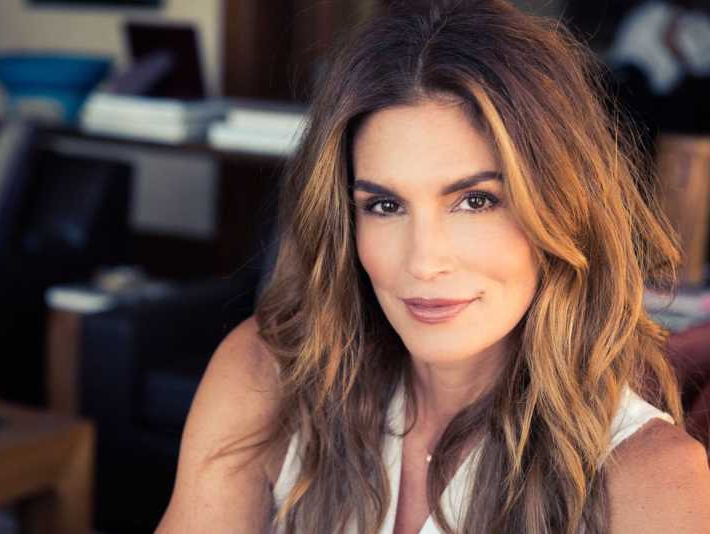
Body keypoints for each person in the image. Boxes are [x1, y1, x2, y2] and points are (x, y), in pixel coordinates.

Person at [155, 1, 710, 532]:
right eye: (385, 205)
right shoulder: (267, 375)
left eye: (475, 201)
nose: (423, 262)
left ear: (563, 208)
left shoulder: (650, 479)